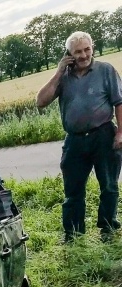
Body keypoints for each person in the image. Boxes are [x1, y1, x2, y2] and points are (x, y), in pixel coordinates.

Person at [36, 31, 122, 243]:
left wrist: (121, 132)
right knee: (73, 191)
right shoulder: (63, 77)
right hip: (74, 140)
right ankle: (73, 235)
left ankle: (108, 229)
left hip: (103, 134)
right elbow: (40, 101)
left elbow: (119, 102)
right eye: (78, 52)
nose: (84, 55)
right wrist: (58, 72)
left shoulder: (106, 70)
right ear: (69, 54)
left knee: (109, 186)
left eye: (87, 49)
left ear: (92, 47)